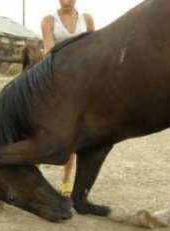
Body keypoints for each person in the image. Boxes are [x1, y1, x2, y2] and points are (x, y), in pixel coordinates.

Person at [41, 0, 95, 196]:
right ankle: (35, 172)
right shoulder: (49, 20)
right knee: (45, 127)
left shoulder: (87, 19)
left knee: (73, 130)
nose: (65, 2)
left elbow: (93, 48)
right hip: (58, 77)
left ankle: (66, 179)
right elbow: (49, 51)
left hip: (81, 82)